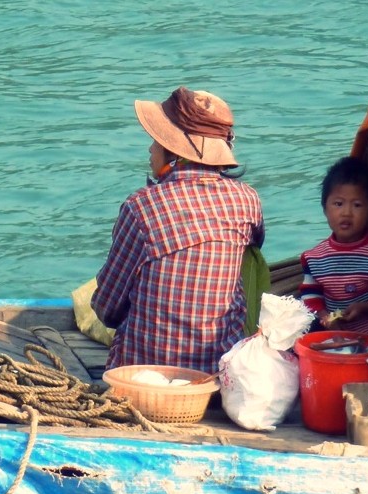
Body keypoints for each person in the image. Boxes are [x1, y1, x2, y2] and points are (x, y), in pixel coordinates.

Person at [91, 86, 265, 373]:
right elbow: (254, 250)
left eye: (156, 141)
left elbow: (107, 309)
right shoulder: (248, 200)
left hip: (145, 374)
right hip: (219, 373)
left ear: (172, 150)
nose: (150, 149)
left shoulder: (141, 206)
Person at [299, 156, 368, 337]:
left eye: (357, 205)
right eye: (338, 204)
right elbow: (311, 295)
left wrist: (366, 308)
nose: (346, 213)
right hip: (330, 331)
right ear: (325, 208)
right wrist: (324, 316)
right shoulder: (314, 258)